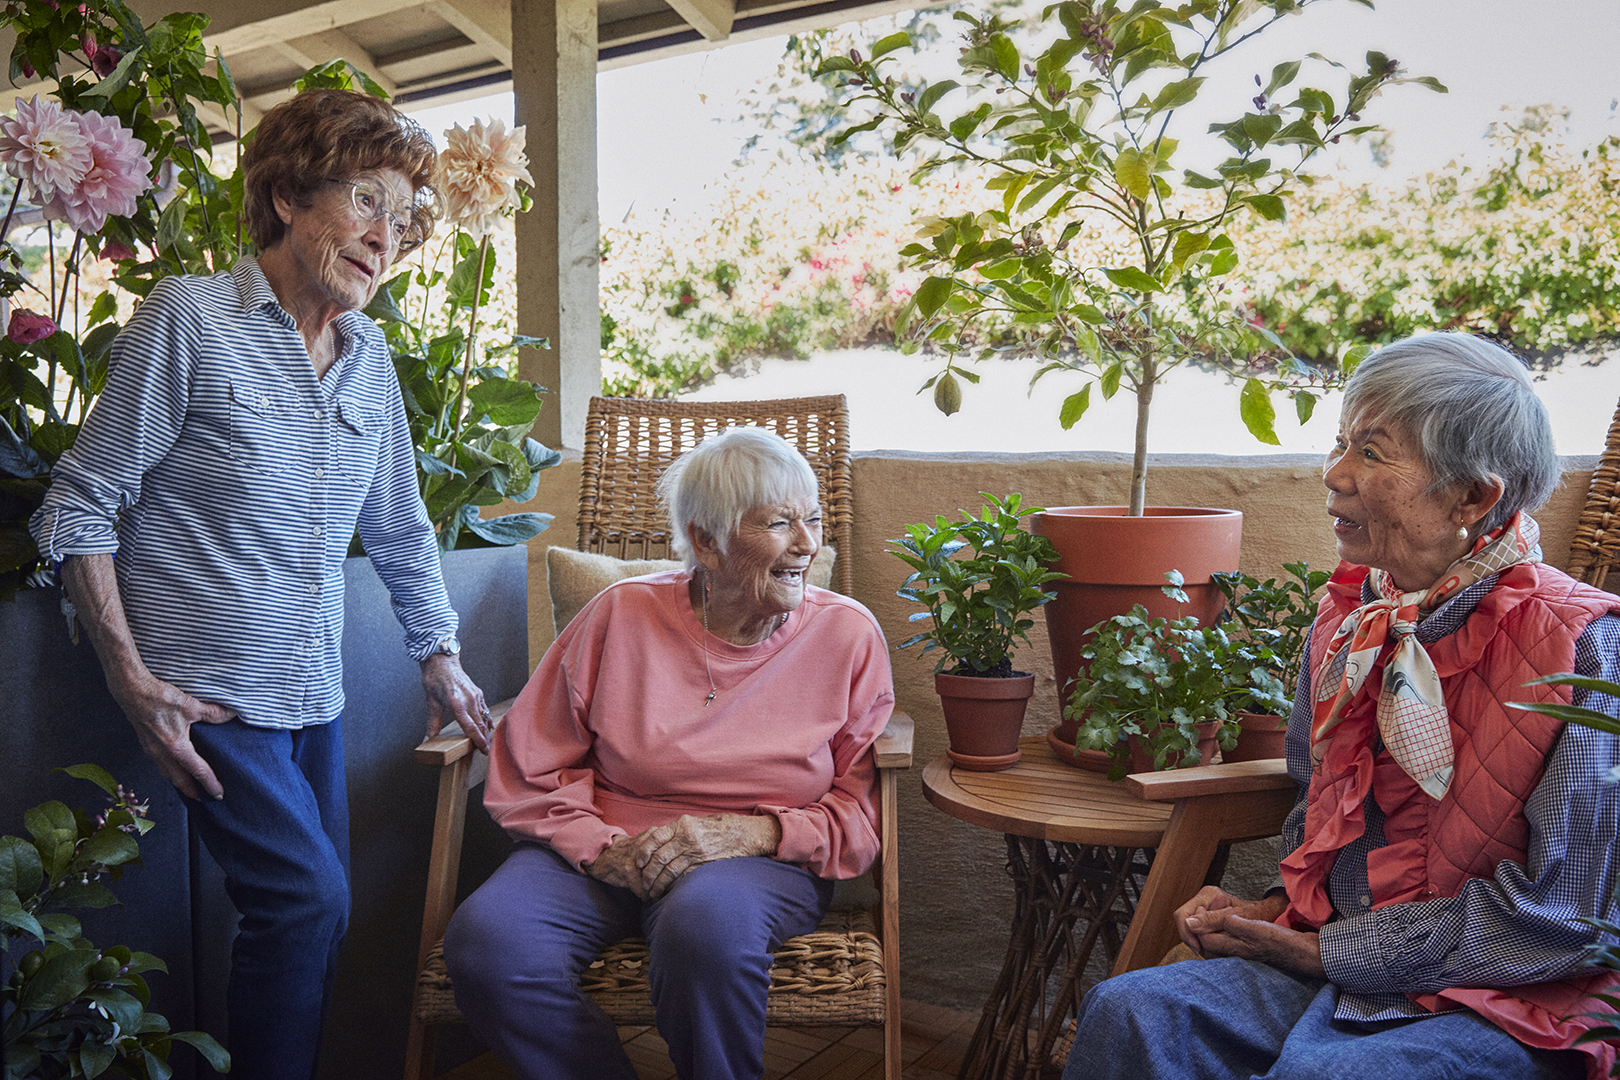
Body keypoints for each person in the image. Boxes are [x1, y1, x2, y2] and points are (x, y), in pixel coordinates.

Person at [28, 89, 494, 1080]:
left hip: (312, 696)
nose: (387, 236)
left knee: (308, 925)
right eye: (365, 201)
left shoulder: (369, 361)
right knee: (305, 903)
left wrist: (441, 657)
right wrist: (129, 677)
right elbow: (80, 502)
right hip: (210, 694)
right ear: (286, 196)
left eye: (403, 219)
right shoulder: (189, 319)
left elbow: (401, 528)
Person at [1063, 331, 1620, 1080]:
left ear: (1473, 495)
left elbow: (1565, 916)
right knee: (1129, 1010)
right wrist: (1270, 909)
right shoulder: (1352, 620)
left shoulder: (1585, 647)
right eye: (1341, 443)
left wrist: (1332, 950)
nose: (1334, 474)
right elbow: (1316, 802)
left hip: (1510, 998)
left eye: (1373, 451)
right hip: (1335, 964)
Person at [443, 426, 895, 1080]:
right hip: (604, 845)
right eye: (779, 523)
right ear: (706, 541)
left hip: (758, 862)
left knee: (705, 930)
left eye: (814, 520)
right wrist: (603, 848)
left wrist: (752, 833)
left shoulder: (847, 636)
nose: (807, 544)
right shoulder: (619, 615)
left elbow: (859, 812)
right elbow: (532, 766)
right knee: (489, 945)